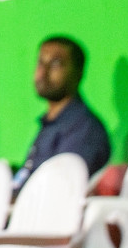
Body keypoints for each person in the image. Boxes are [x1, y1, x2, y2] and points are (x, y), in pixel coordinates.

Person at [13, 35, 111, 193]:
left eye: (56, 63)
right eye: (40, 63)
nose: (43, 73)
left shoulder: (83, 129)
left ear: (78, 74)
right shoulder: (50, 123)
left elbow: (60, 191)